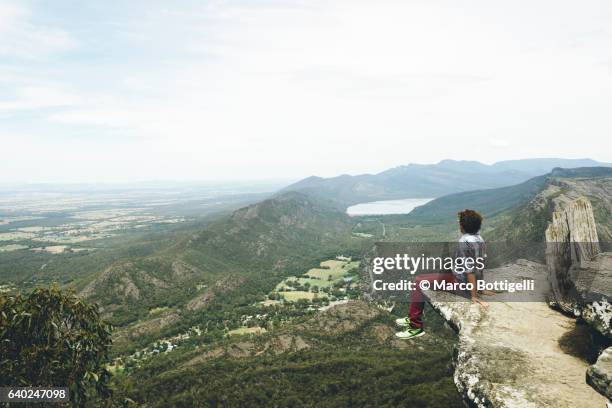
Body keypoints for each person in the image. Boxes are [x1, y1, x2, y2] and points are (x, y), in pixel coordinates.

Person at [395, 209, 488, 339]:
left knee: (417, 282)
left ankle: (415, 327)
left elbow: (470, 270)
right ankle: (412, 316)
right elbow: (480, 265)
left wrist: (473, 296)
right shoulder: (480, 239)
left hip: (459, 284)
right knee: (422, 278)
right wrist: (480, 288)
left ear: (462, 226)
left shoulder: (464, 242)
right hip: (462, 281)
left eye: (460, 223)